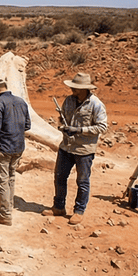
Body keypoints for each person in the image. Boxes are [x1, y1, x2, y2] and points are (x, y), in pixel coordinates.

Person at [47, 72, 109, 225]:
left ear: (85, 89)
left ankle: (79, 211)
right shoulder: (68, 100)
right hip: (66, 147)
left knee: (82, 181)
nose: (73, 90)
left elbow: (102, 127)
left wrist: (80, 130)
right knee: (60, 177)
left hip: (84, 150)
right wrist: (63, 124)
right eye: (72, 87)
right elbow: (64, 119)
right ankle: (58, 207)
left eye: (76, 88)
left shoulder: (96, 104)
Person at [0, 78, 31, 225]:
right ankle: (6, 209)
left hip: (2, 148)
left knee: (1, 182)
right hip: (18, 147)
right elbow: (27, 125)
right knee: (10, 179)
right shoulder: (21, 101)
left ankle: (5, 215)